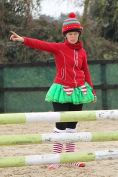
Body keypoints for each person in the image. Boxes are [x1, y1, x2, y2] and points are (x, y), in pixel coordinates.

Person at [10, 12, 97, 169]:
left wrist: (92, 91)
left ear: (79, 34)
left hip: (80, 91)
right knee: (61, 126)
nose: (72, 36)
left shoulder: (82, 52)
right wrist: (23, 39)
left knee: (72, 127)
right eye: (70, 34)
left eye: (75, 33)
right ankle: (56, 159)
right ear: (65, 35)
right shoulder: (59, 47)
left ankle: (71, 159)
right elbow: (41, 44)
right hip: (62, 90)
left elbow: (86, 71)